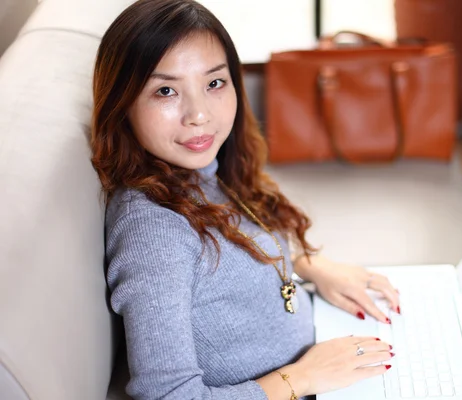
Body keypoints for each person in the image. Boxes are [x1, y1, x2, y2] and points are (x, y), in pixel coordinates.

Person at [90, 1, 399, 399]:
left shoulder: (202, 169)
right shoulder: (154, 230)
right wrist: (301, 378)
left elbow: (223, 257)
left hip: (324, 358)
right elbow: (170, 396)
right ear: (122, 103)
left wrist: (310, 266)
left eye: (214, 83)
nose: (199, 114)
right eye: (165, 90)